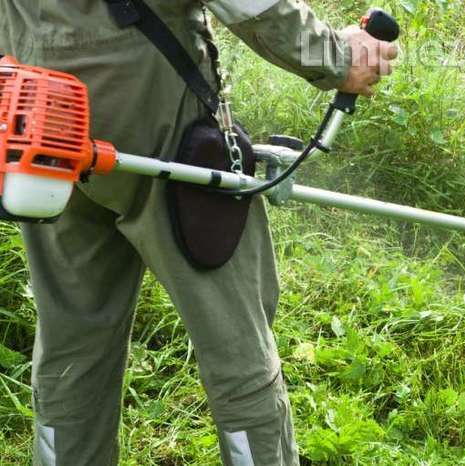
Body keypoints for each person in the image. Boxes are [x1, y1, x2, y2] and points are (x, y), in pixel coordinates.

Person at [0, 1, 397, 464]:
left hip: (37, 109)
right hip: (151, 111)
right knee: (236, 343)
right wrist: (338, 57)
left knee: (73, 339)